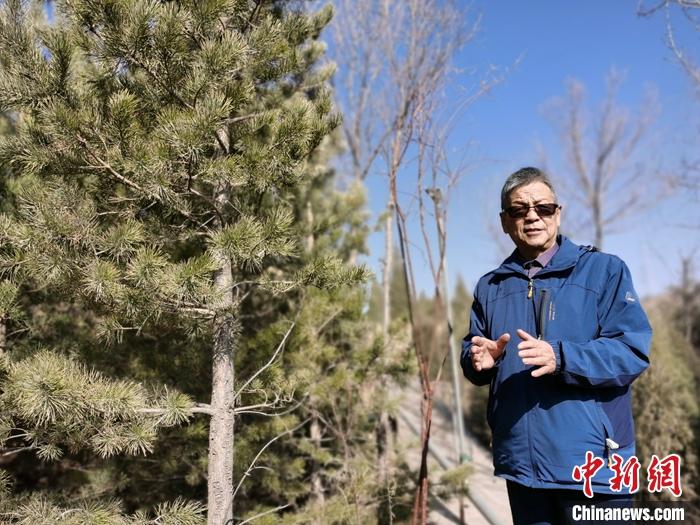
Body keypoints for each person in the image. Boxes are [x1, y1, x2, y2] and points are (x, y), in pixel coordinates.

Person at [461, 167, 652, 525]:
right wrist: (477, 361)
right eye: (519, 210)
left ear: (557, 213)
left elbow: (632, 352)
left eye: (543, 208)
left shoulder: (604, 271)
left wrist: (562, 357)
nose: (532, 216)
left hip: (594, 470)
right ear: (505, 222)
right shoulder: (491, 286)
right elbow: (472, 349)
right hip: (522, 469)